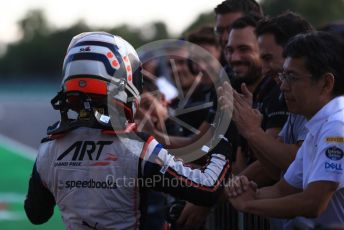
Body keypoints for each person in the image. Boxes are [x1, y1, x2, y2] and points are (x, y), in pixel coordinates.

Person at [24, 32, 231, 230]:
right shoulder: (136, 147)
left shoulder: (48, 148)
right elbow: (207, 189)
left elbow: (37, 214)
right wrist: (222, 144)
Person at [226, 31, 344, 228]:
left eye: (292, 77)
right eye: (283, 76)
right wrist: (245, 191)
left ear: (326, 83)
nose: (283, 87)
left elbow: (313, 203)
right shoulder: (319, 124)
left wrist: (249, 205)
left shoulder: (336, 127)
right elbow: (283, 189)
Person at [222, 12, 314, 185]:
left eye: (267, 58)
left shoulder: (328, 107)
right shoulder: (295, 102)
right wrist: (249, 130)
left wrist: (252, 131)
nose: (263, 70)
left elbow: (299, 162)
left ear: (295, 51)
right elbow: (274, 169)